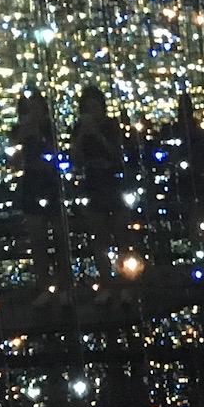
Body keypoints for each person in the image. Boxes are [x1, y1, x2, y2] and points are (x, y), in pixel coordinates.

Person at [69, 83, 128, 287]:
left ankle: (124, 283)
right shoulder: (79, 129)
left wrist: (98, 136)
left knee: (120, 234)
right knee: (99, 237)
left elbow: (118, 154)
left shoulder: (111, 126)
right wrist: (82, 136)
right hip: (93, 183)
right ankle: (106, 283)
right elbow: (75, 159)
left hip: (112, 182)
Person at [14, 91, 68, 299]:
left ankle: (64, 287)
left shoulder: (49, 129)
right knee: (38, 240)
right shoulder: (21, 131)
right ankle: (44, 287)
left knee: (60, 238)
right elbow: (16, 161)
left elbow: (55, 154)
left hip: (49, 183)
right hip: (32, 184)